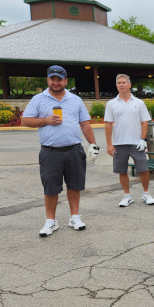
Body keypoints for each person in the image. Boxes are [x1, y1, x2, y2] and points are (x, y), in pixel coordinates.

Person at [22, 65, 100, 237]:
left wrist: (93, 144)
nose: (56, 82)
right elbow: (25, 121)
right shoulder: (38, 99)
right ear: (48, 80)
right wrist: (45, 120)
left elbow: (85, 123)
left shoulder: (75, 100)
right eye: (52, 79)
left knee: (75, 185)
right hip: (50, 152)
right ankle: (51, 221)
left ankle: (74, 217)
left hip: (74, 150)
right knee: (50, 187)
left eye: (59, 79)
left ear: (65, 81)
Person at [104, 74, 154, 207]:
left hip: (136, 143)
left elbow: (144, 122)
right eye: (119, 83)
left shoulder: (139, 103)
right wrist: (109, 144)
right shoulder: (111, 104)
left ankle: (146, 193)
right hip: (119, 144)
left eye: (124, 82)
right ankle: (127, 195)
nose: (121, 85)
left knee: (143, 169)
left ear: (129, 85)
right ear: (116, 85)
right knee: (122, 171)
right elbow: (108, 124)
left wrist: (143, 139)